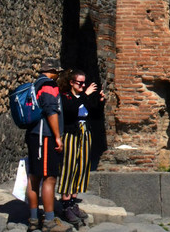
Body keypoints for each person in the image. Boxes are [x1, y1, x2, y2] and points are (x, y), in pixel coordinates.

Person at [25, 58, 70, 232]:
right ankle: (49, 221)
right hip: (45, 137)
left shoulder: (34, 85)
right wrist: (58, 137)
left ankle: (34, 218)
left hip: (34, 135)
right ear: (53, 71)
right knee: (49, 178)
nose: (58, 75)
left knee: (34, 177)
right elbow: (51, 111)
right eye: (57, 72)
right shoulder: (49, 86)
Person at [56, 70, 102, 226]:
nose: (83, 85)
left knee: (81, 168)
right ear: (71, 83)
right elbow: (69, 111)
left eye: (84, 83)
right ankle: (65, 204)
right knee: (68, 167)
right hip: (71, 134)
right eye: (80, 83)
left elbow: (94, 115)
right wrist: (85, 95)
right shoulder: (65, 97)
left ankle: (73, 202)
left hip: (85, 134)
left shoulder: (84, 98)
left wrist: (100, 101)